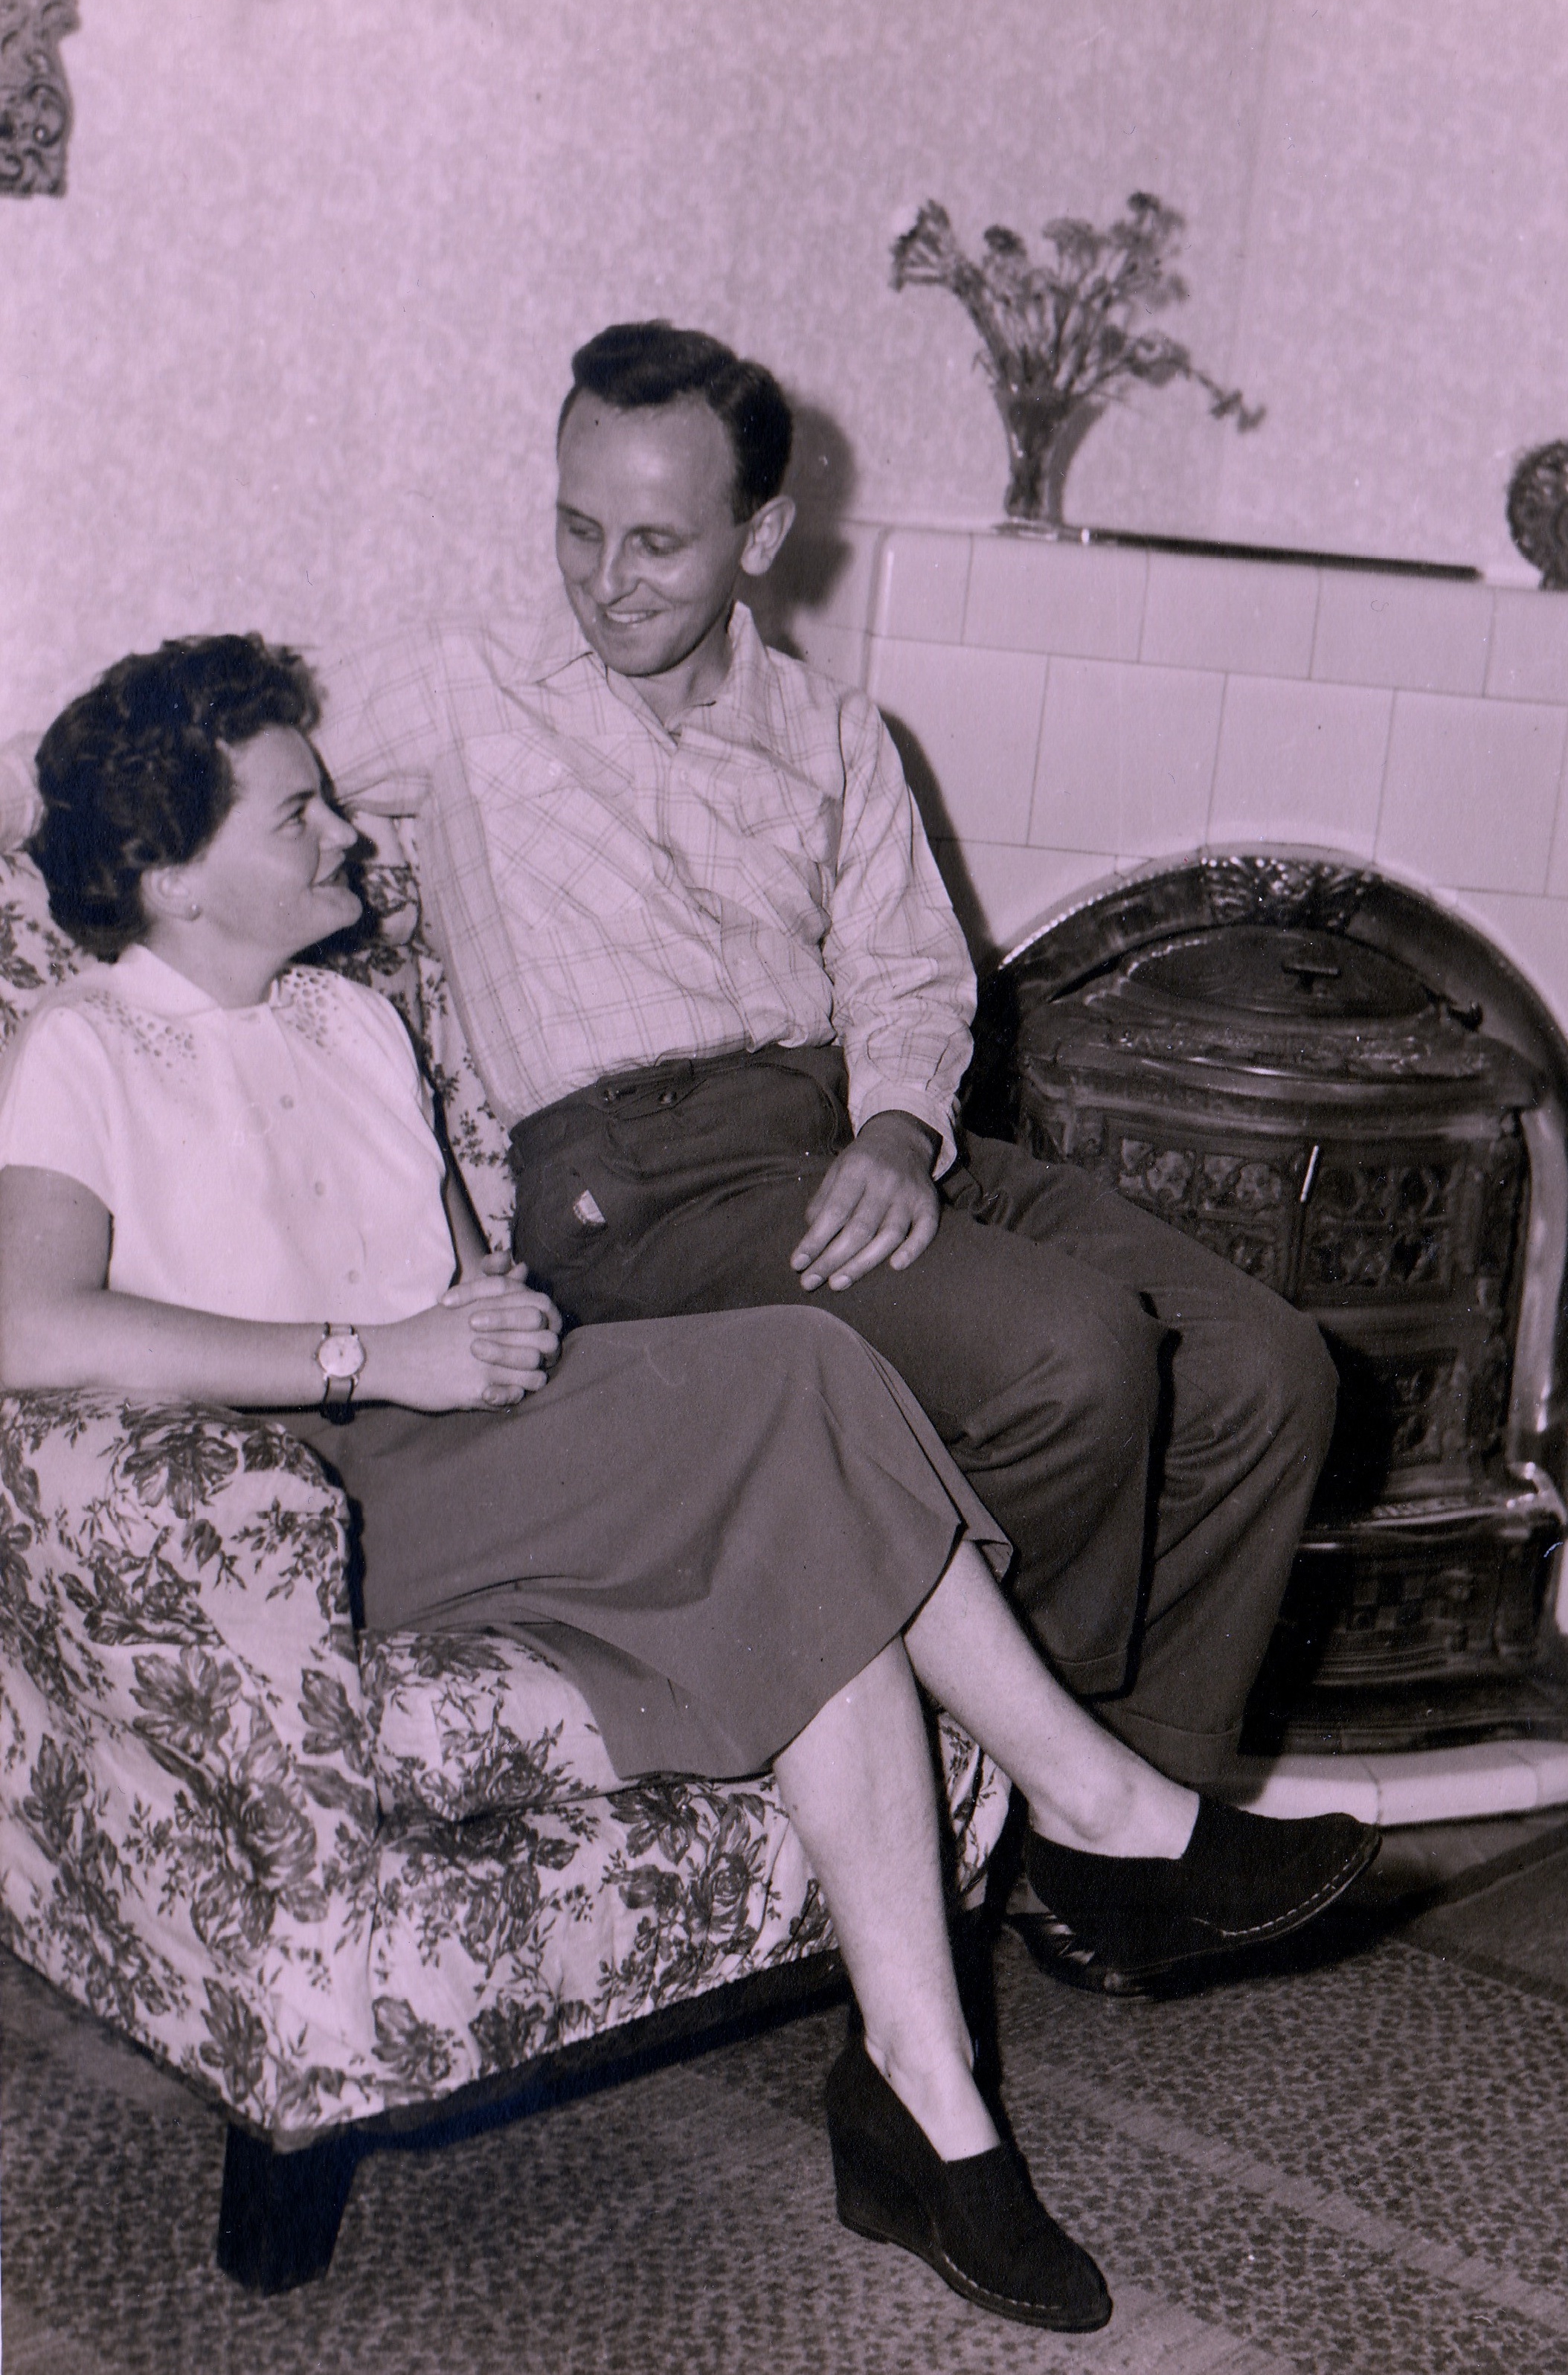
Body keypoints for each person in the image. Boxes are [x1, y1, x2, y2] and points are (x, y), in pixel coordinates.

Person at [0, 637, 1379, 2332]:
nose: (349, 829)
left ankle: (932, 2104)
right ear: (171, 875)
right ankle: (1099, 1807)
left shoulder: (354, 1019)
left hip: (470, 1437)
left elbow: (461, 1279)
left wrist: (484, 1316)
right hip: (307, 1496)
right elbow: (26, 1320)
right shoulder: (82, 1044)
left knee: (807, 1503)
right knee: (797, 1373)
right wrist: (371, 1354)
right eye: (298, 812)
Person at [308, 323, 1345, 1990]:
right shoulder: (457, 686)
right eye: (577, 526)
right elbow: (183, 770)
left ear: (762, 536)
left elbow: (909, 975)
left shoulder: (834, 731)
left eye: (658, 541)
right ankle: (1058, 1793)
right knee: (1072, 1356)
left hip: (849, 1125)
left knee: (1263, 1363)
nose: (606, 579)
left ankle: (1109, 1850)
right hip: (638, 1188)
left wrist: (895, 1132)